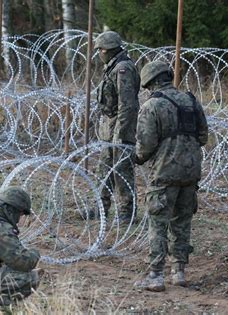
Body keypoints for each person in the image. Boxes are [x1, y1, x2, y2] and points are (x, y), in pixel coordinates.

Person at [133, 61, 208, 291]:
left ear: (151, 82)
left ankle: (156, 275)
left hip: (165, 172)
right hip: (191, 172)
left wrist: (136, 158)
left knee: (158, 222)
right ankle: (179, 271)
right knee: (182, 222)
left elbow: (145, 145)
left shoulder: (152, 106)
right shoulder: (192, 101)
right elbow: (203, 137)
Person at [93, 31, 140, 223]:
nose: (99, 53)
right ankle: (100, 209)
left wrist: (120, 135)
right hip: (109, 128)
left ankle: (126, 213)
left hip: (120, 129)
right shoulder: (112, 67)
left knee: (122, 172)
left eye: (100, 50)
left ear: (108, 50)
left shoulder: (123, 69)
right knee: (104, 170)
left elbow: (127, 105)